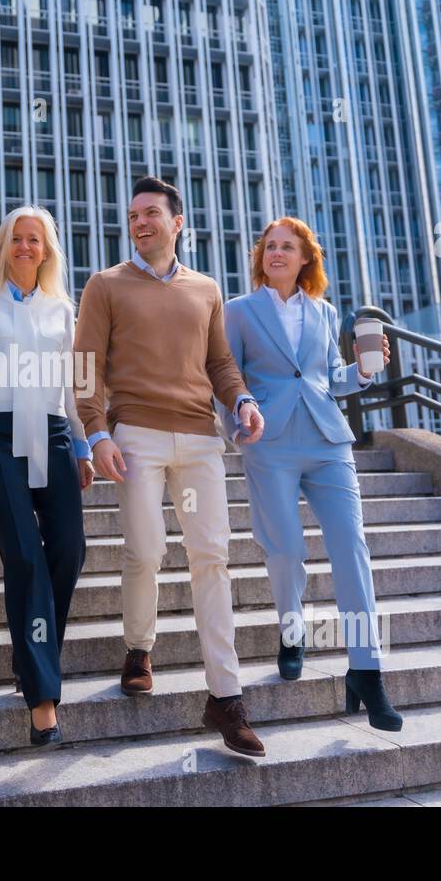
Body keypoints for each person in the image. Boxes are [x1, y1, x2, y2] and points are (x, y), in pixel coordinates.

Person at [74, 176, 267, 758]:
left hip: (200, 437)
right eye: (133, 214)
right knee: (147, 550)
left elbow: (219, 362)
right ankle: (139, 647)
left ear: (177, 222)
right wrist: (96, 430)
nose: (140, 222)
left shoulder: (205, 289)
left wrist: (243, 401)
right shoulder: (105, 285)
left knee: (212, 557)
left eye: (152, 213)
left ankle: (226, 698)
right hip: (136, 434)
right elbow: (86, 366)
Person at [219, 216, 401, 731]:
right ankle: (292, 628)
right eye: (269, 246)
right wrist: (237, 421)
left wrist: (363, 372)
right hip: (268, 443)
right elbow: (224, 375)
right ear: (262, 257)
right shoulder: (239, 311)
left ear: (305, 259)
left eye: (287, 247)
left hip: (327, 440)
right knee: (287, 549)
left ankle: (367, 671)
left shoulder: (323, 311)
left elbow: (326, 378)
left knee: (352, 546)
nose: (276, 253)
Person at [0, 206, 94, 749]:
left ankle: (31, 655)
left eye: (34, 239)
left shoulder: (63, 309)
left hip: (53, 434)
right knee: (25, 556)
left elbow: (74, 383)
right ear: (4, 247)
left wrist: (82, 444)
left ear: (48, 249)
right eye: (16, 239)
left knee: (69, 550)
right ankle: (42, 697)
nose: (25, 247)